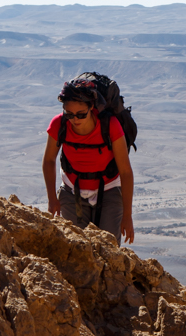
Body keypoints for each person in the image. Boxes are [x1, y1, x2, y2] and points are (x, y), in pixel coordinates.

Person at [42, 79, 134, 243]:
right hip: (72, 192)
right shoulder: (59, 124)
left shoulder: (110, 125)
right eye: (69, 114)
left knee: (108, 249)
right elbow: (49, 160)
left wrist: (127, 215)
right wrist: (52, 199)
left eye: (81, 114)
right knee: (77, 248)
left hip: (109, 191)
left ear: (92, 107)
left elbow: (126, 172)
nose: (75, 120)